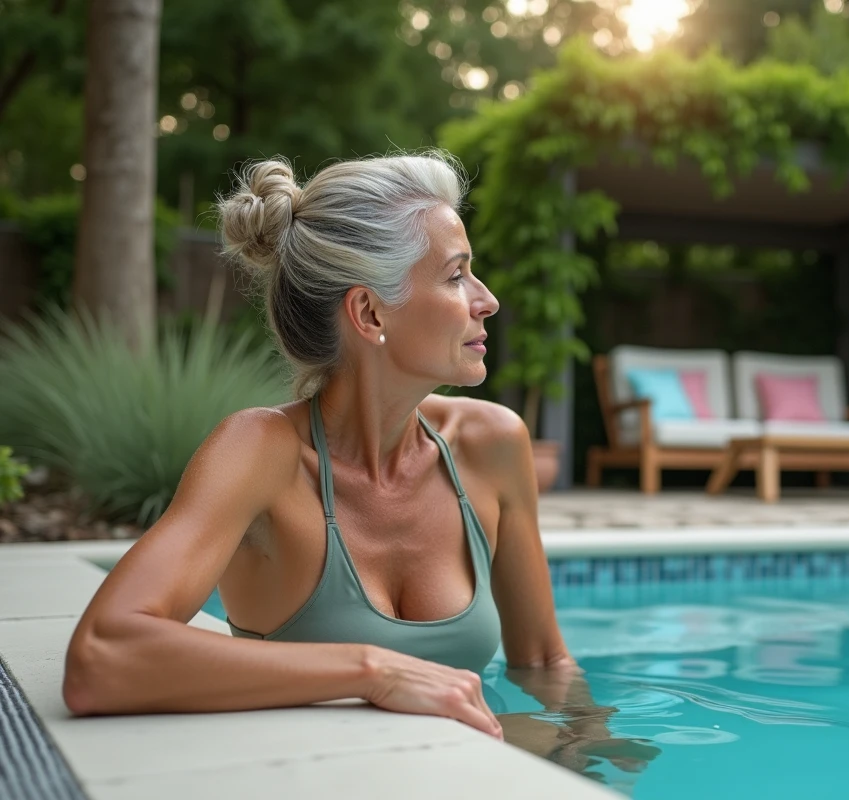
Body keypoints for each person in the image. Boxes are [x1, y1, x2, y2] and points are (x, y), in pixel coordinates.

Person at [60, 152, 582, 743]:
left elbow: (545, 665)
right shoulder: (259, 454)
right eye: (455, 275)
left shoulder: (492, 445)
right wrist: (373, 671)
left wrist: (597, 756)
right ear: (368, 311)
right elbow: (101, 658)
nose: (485, 300)